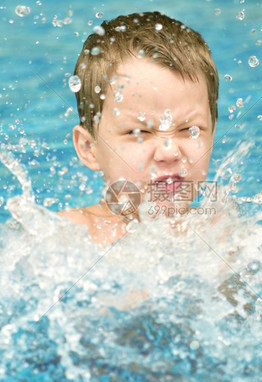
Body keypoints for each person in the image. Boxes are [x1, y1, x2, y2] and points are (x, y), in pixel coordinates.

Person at [58, 11, 219, 245]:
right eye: (139, 133)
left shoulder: (220, 233)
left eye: (189, 130)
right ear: (88, 148)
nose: (169, 153)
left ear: (211, 136)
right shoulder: (71, 234)